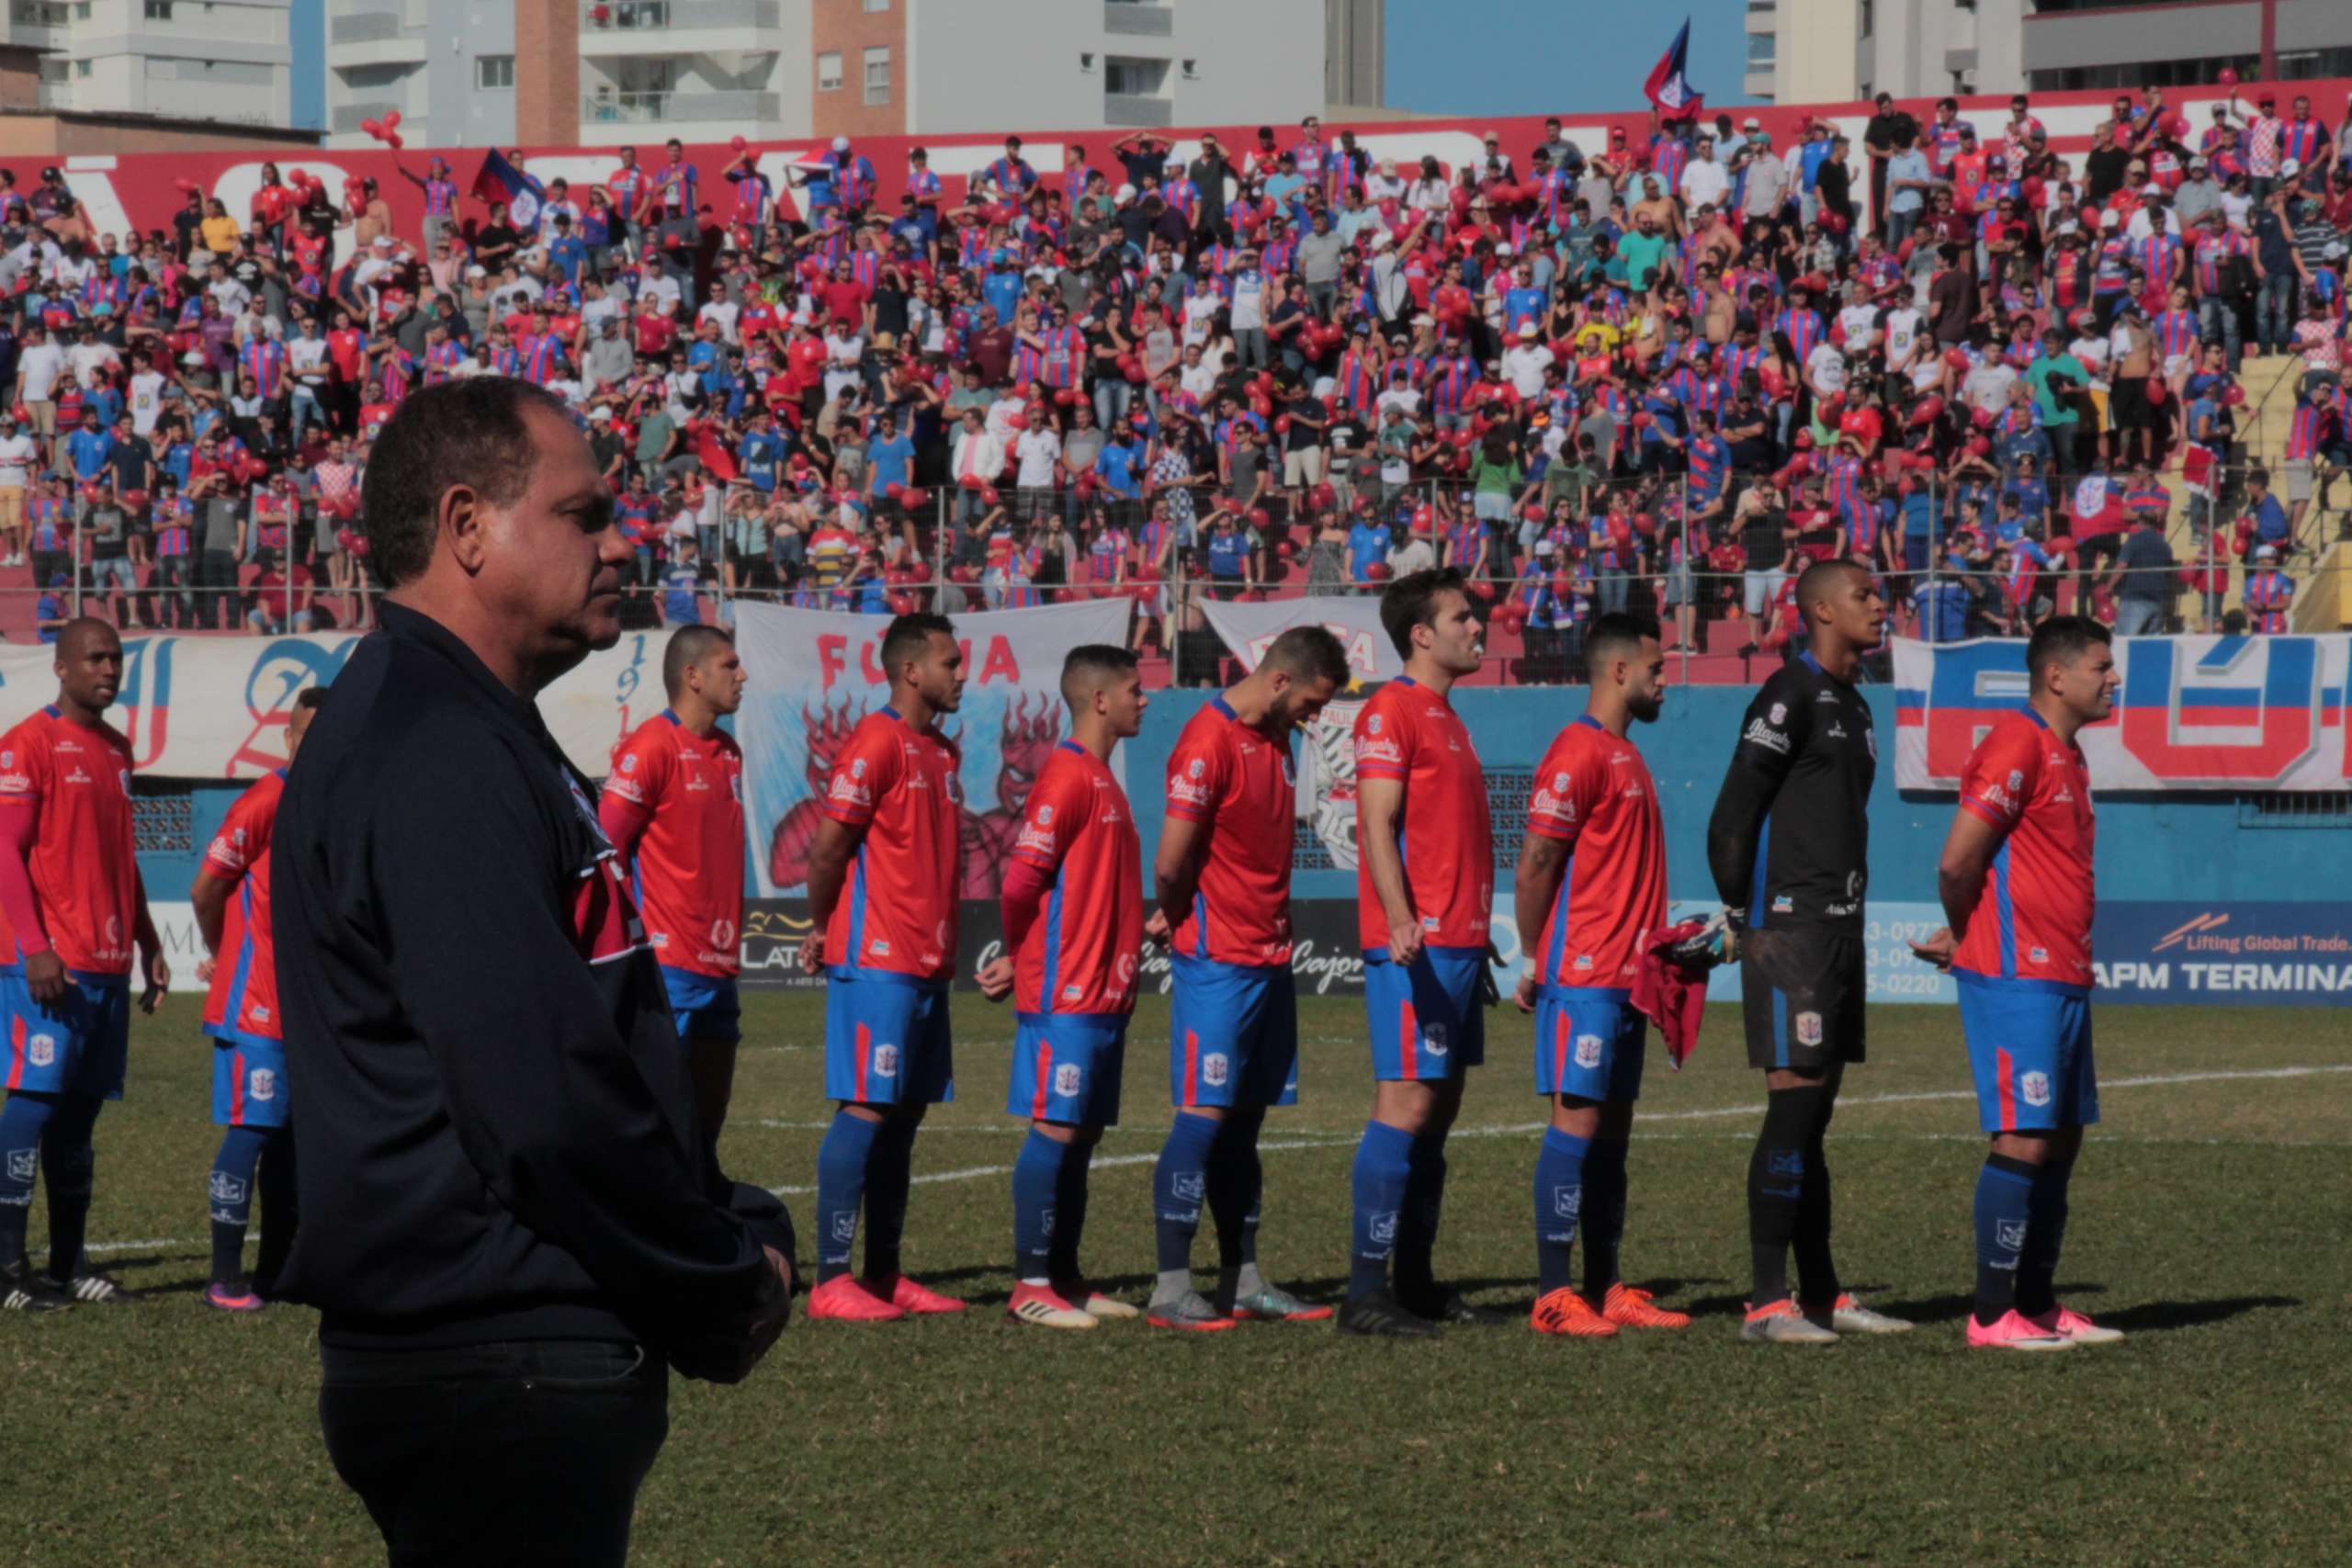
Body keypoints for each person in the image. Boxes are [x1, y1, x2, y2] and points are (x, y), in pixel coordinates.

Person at [271, 378, 794, 1565]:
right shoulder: (435, 744)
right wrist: (717, 1274)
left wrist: (711, 1208)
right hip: (493, 1355)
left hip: (505, 1345)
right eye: (585, 512)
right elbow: (541, 1094)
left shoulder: (470, 723)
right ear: (467, 527)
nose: (619, 543)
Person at [1704, 560, 1913, 1345]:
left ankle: (1822, 1293)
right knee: (1793, 1108)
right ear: (1821, 608)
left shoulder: (1855, 704)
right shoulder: (1788, 693)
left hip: (1839, 925)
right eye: (1863, 595)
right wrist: (1741, 911)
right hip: (1789, 929)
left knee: (1814, 1114)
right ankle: (1766, 1303)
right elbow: (1732, 814)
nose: (1878, 604)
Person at [1910, 618, 2126, 1352]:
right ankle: (1990, 1310)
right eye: (2102, 665)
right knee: (2024, 1137)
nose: (2113, 678)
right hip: (2016, 972)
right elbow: (1956, 862)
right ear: (2057, 676)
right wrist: (1968, 928)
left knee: (2061, 1138)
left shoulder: (2069, 755)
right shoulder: (2017, 742)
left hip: (2063, 974)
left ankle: (2036, 1303)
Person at [1148, 626, 1349, 1330]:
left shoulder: (1276, 742)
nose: (1317, 718)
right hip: (1219, 961)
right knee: (1202, 1118)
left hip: (1269, 958)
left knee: (1244, 1124)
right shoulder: (1206, 740)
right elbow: (1171, 862)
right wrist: (1174, 916)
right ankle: (1171, 1285)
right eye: (1314, 702)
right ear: (1282, 680)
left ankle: (1243, 1280)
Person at [796, 611, 986, 1322]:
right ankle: (831, 1278)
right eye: (949, 661)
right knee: (868, 1106)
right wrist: (821, 926)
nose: (960, 672)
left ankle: (883, 1273)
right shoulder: (875, 739)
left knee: (903, 1117)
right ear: (911, 670)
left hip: (928, 962)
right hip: (877, 957)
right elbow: (826, 850)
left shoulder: (940, 751)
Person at [1513, 613, 1693, 1339]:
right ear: (1619, 671)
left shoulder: (1626, 754)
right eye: (1655, 666)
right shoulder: (1577, 751)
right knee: (1576, 1126)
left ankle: (1604, 1283)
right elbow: (1535, 863)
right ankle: (1553, 1293)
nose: (1664, 677)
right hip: (1583, 975)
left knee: (1612, 1134)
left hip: (1628, 979)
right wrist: (1535, 955)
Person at [1339, 570, 1498, 1337]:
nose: (1480, 626)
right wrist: (1402, 917)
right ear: (1422, 635)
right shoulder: (1390, 710)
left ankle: (1415, 1280)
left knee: (1437, 1113)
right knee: (1403, 1104)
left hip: (1461, 947)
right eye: (1464, 617)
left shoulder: (1448, 716)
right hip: (1415, 948)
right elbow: (1375, 823)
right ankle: (1365, 1292)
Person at [0, 617, 171, 1313]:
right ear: (62, 667)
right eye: (95, 658)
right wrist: (34, 945)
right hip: (49, 964)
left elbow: (121, 857)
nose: (109, 669)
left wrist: (150, 942)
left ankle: (69, 1265)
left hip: (106, 965)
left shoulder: (119, 750)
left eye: (116, 658)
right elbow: (5, 851)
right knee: (33, 1106)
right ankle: (9, 1269)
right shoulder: (27, 743)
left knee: (79, 1120)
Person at [983, 646, 1150, 1331]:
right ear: (1101, 699)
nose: (1146, 700)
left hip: (1104, 990)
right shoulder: (1067, 774)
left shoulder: (1104, 779)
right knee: (1055, 1128)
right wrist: (1024, 953)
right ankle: (1030, 1283)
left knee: (1080, 1134)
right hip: (1067, 990)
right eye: (1136, 690)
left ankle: (1066, 1276)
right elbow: (1021, 880)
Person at [189, 685, 325, 1314]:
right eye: (308, 735)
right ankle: (224, 1277)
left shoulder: (339, 802)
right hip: (256, 1003)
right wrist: (222, 953)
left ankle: (280, 1270)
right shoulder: (267, 797)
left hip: (310, 1008)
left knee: (292, 1141)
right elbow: (206, 887)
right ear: (289, 740)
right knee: (252, 1131)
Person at [601, 626, 750, 1156]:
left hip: (721, 966)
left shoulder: (729, 752)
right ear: (692, 676)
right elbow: (607, 854)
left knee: (707, 1128)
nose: (742, 675)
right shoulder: (650, 746)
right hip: (669, 968)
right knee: (661, 1126)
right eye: (729, 665)